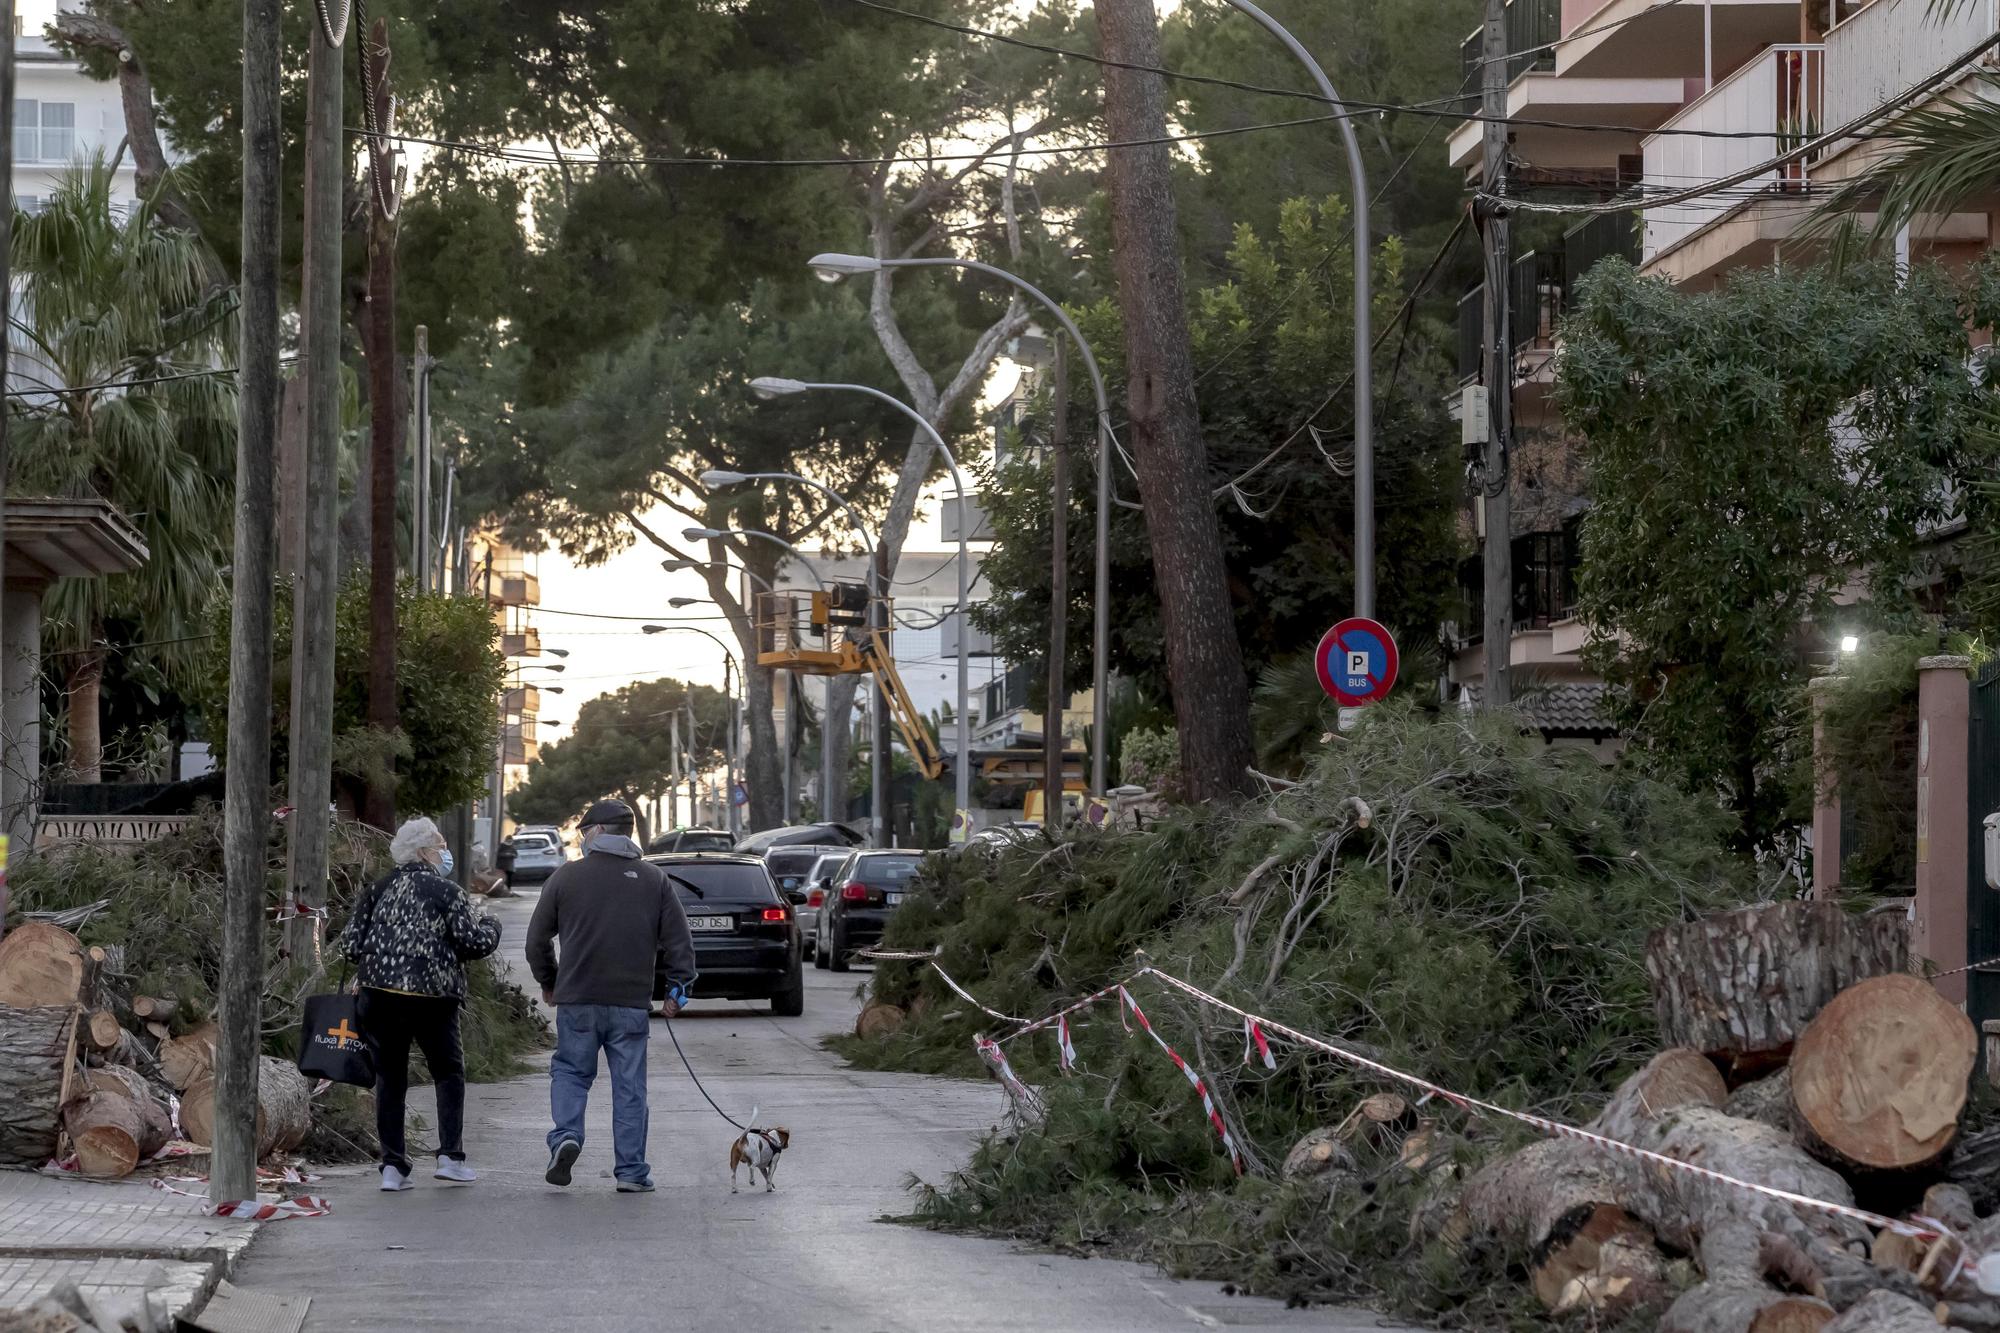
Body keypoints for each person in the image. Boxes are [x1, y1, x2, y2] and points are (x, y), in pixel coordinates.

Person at [526, 799, 697, 1193]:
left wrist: (549, 981)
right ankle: (632, 1173)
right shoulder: (654, 880)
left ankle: (567, 1135)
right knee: (629, 1087)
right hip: (630, 1005)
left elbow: (537, 940)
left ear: (598, 832)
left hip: (577, 1001)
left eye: (586, 832)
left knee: (570, 1071)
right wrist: (678, 989)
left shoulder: (565, 878)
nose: (584, 839)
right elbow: (679, 943)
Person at [341, 817, 502, 1192]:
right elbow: (472, 943)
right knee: (447, 1072)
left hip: (378, 996)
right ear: (425, 852)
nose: (445, 853)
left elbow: (350, 945)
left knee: (390, 1078)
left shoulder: (376, 889)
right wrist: (492, 926)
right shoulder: (446, 891)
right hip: (432, 998)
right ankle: (450, 1157)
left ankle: (393, 1168)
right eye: (440, 846)